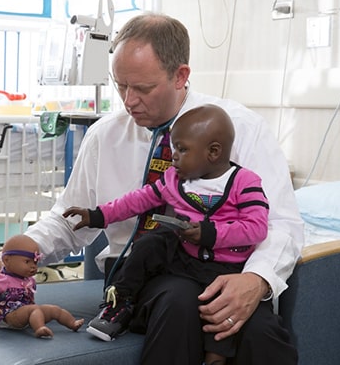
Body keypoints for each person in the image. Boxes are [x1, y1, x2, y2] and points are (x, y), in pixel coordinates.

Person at [0, 12, 304, 364]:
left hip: (223, 270)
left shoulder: (242, 129)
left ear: (180, 76)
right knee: (179, 302)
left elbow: (282, 223)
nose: (128, 101)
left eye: (142, 89)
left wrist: (256, 279)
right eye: (120, 86)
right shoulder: (105, 135)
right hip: (137, 275)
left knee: (261, 332)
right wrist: (24, 248)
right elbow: (68, 218)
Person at [63, 104, 269, 365]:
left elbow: (257, 227)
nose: (174, 158)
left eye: (182, 150)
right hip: (183, 259)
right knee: (150, 244)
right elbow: (138, 200)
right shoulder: (174, 179)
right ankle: (120, 303)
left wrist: (210, 233)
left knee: (218, 328)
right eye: (174, 149)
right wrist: (98, 215)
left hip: (225, 268)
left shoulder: (245, 182)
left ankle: (216, 357)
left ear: (213, 152)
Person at [0, 234, 85, 338]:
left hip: (27, 313)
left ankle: (72, 323)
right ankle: (39, 328)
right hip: (7, 316)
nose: (33, 266)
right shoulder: (2, 279)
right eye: (27, 261)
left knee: (54, 309)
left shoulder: (29, 280)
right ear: (7, 260)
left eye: (35, 262)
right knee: (34, 309)